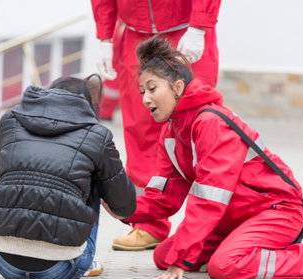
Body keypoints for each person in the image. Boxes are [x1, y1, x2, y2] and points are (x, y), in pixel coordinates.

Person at [115, 36, 303, 279]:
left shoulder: (210, 122)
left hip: (275, 211)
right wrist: (116, 204)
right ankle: (249, 250)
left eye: (152, 89)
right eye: (142, 91)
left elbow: (209, 199)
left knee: (224, 266)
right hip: (231, 219)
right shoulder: (171, 132)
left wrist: (182, 260)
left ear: (177, 87)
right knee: (164, 256)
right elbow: (164, 199)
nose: (145, 99)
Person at [91, 0, 222, 251]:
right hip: (134, 35)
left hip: (185, 30)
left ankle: (213, 226)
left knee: (200, 127)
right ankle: (149, 224)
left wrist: (199, 25)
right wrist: (105, 38)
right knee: (140, 129)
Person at [0, 75, 136, 279]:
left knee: (18, 174)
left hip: (4, 263)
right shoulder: (97, 134)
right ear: (86, 104)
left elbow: (1, 168)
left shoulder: (11, 120)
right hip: (62, 269)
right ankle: (82, 259)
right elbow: (125, 206)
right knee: (93, 177)